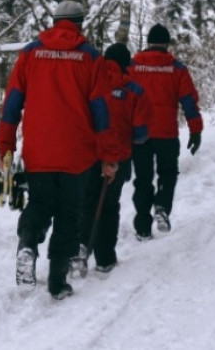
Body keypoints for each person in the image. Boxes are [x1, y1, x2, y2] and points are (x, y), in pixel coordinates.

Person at [0, 1, 128, 300]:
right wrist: (109, 156)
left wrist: (5, 145)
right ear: (80, 24)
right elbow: (102, 113)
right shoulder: (91, 57)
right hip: (77, 154)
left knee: (40, 204)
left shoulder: (30, 53)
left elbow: (12, 102)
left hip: (39, 150)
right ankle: (57, 281)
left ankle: (28, 243)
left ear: (54, 22)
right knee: (70, 214)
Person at [70, 43, 152, 277]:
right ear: (126, 64)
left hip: (87, 154)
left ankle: (80, 248)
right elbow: (141, 131)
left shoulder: (87, 83)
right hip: (118, 155)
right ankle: (105, 259)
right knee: (109, 205)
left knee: (87, 202)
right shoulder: (134, 90)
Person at [127, 24, 203, 240]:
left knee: (142, 179)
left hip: (139, 134)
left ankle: (142, 226)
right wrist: (195, 130)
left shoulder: (132, 67)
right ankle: (161, 206)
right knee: (168, 174)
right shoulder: (176, 68)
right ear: (167, 44)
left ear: (148, 43)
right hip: (167, 133)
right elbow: (189, 101)